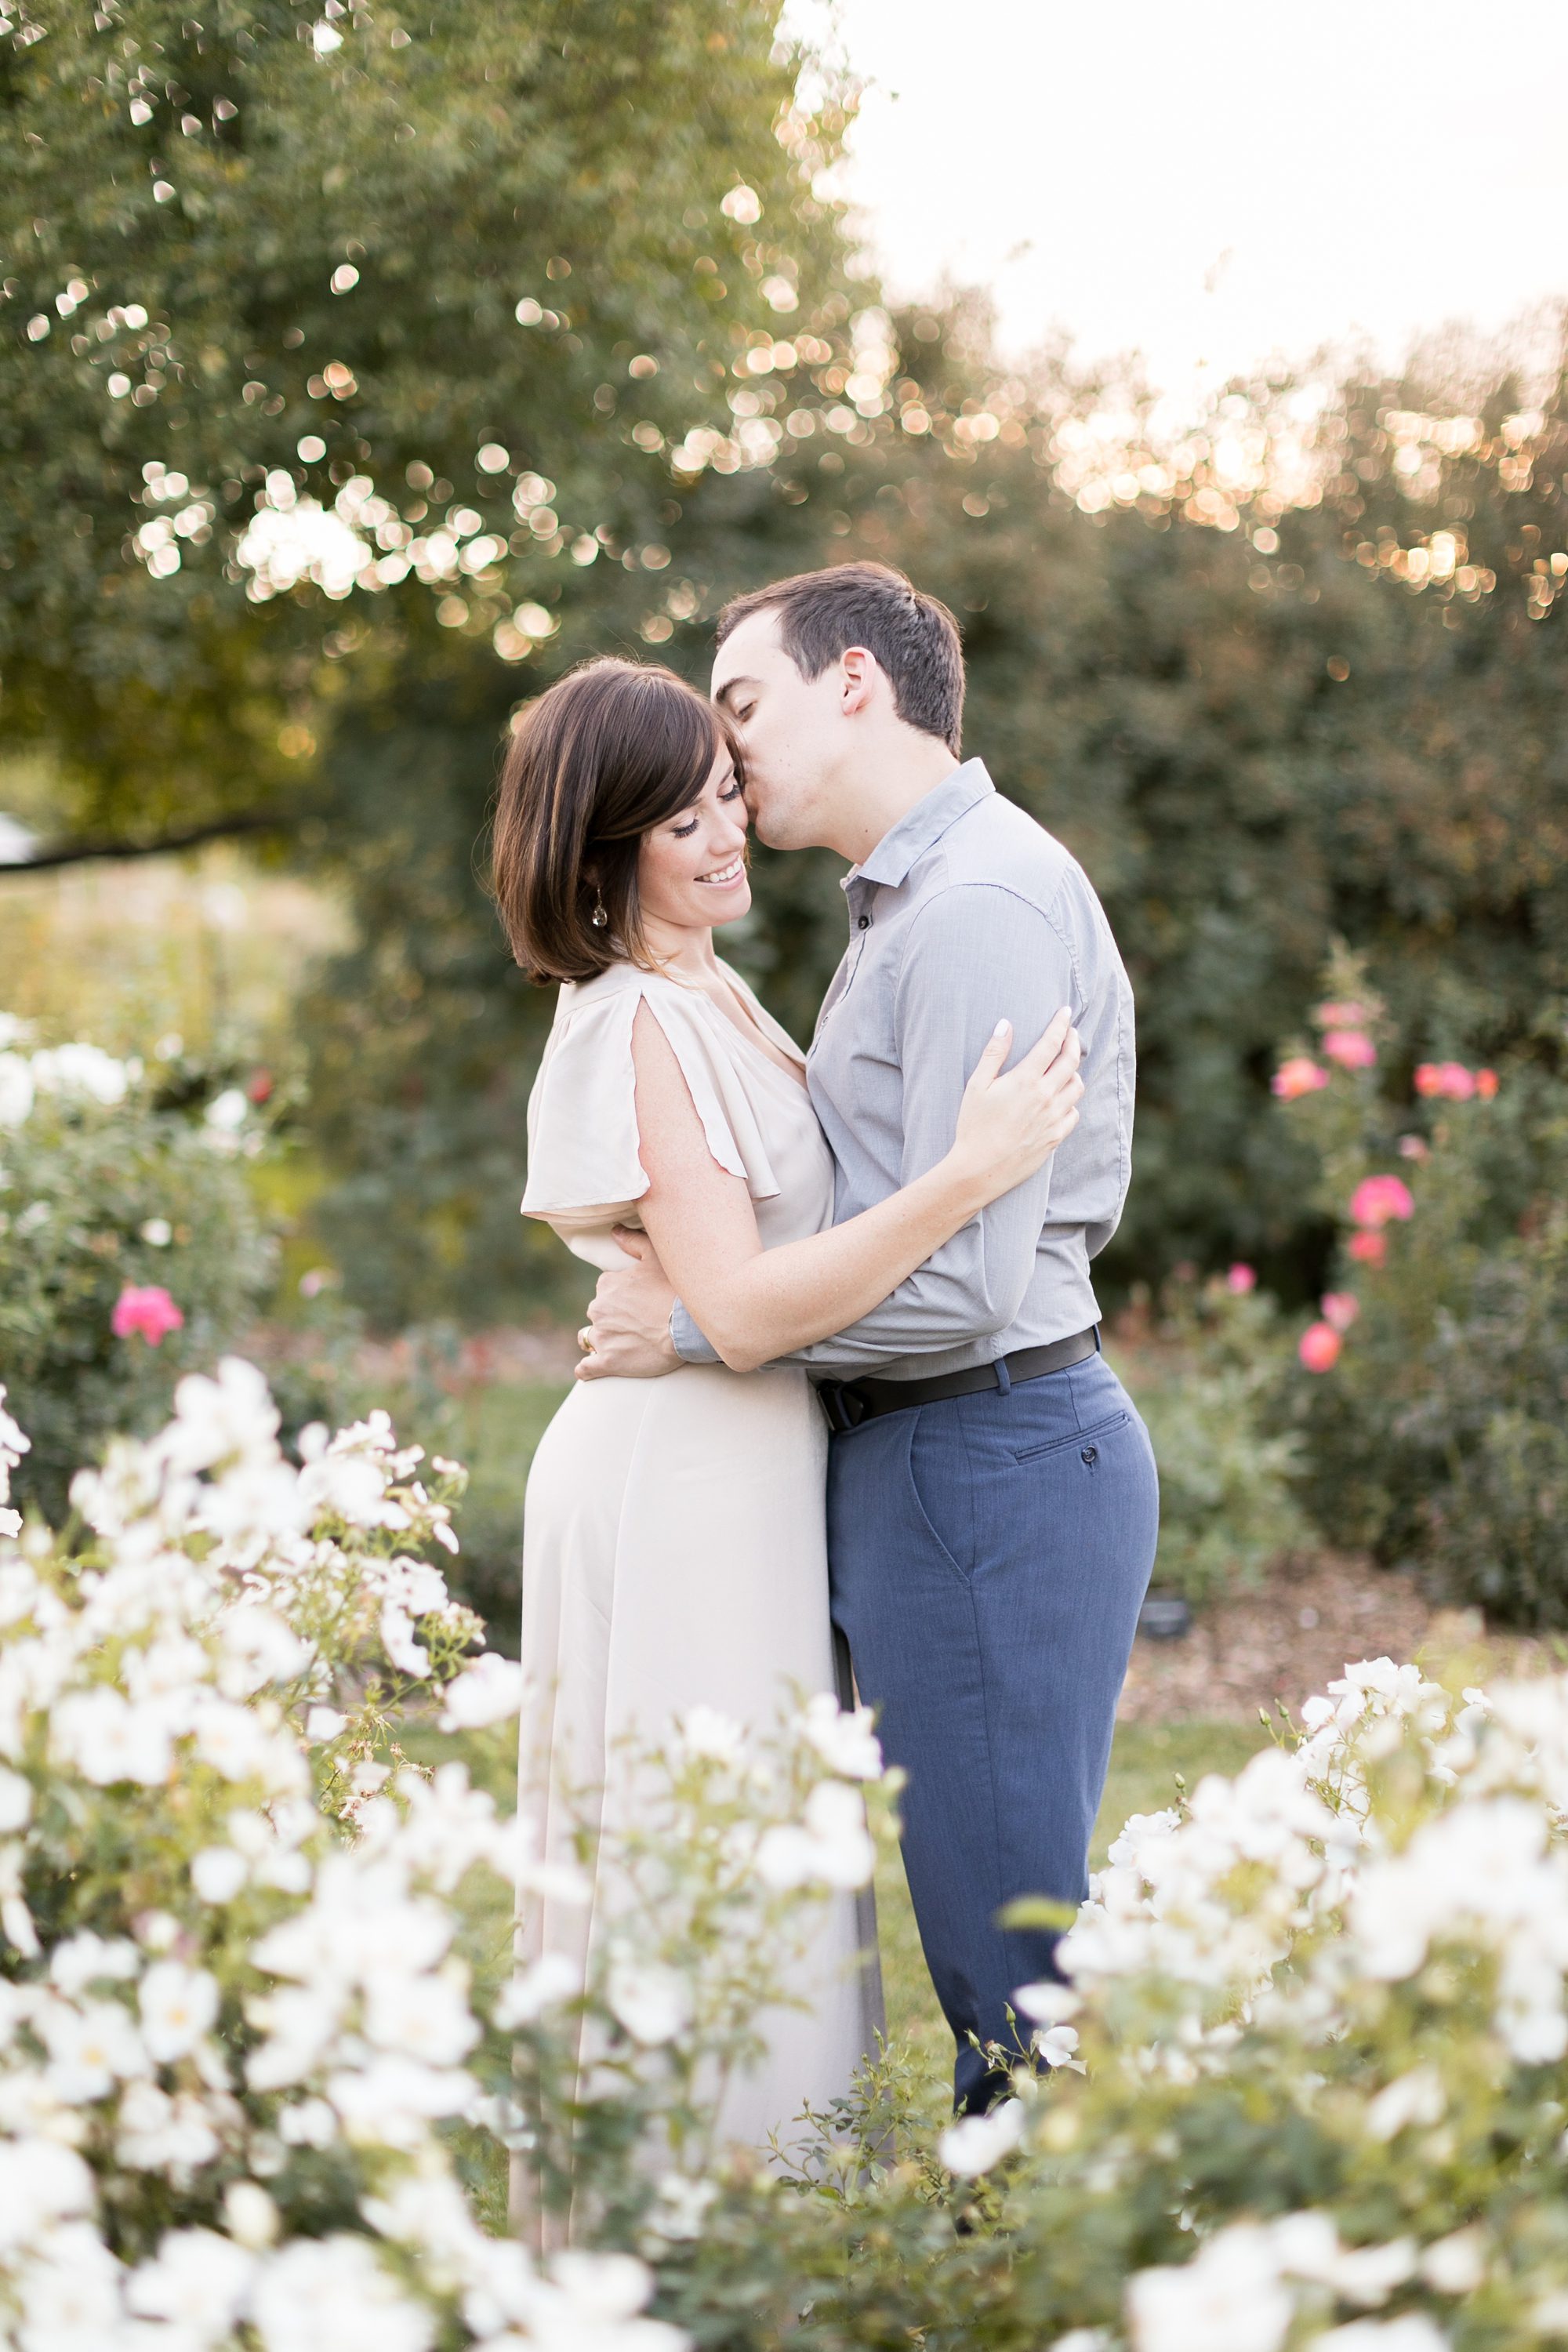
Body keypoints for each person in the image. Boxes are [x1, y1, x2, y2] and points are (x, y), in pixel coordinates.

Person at [490, 652, 1084, 2181]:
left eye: (723, 798)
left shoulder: (716, 988)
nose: (725, 832)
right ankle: (696, 2234)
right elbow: (743, 1309)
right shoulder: (634, 1019)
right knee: (707, 1857)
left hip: (743, 1456)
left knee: (764, 1843)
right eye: (680, 820)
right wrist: (973, 1171)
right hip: (678, 1470)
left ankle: (776, 2231)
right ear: (600, 847)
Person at [578, 563, 1160, 2114]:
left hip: (982, 1450)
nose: (728, 749)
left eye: (744, 703)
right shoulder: (907, 904)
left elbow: (968, 1288)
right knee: (992, 1933)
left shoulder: (969, 907)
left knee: (1009, 1962)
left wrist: (702, 1334)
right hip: (945, 1453)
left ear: (855, 681)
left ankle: (1052, 2285)